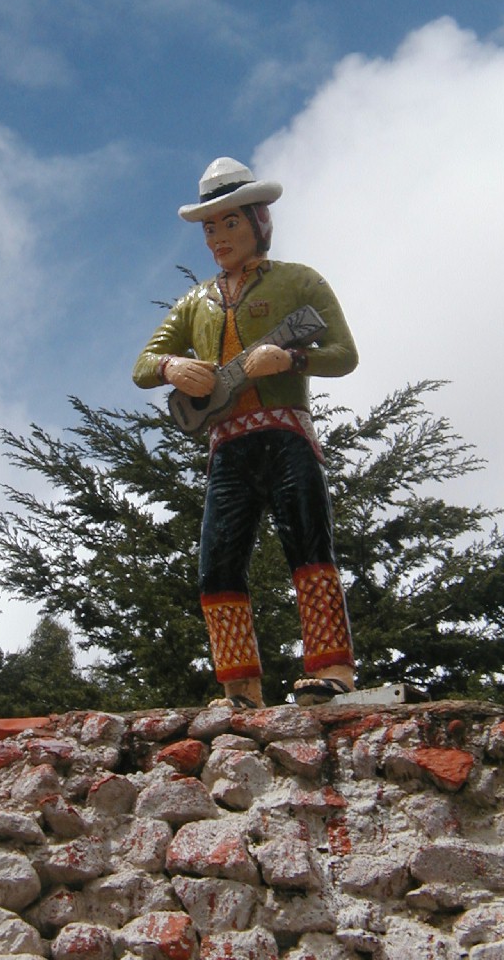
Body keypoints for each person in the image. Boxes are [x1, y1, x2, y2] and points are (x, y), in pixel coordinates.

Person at [133, 157, 359, 707]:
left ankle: (333, 670)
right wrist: (171, 367)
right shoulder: (195, 302)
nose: (217, 238)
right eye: (209, 227)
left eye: (229, 223)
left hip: (287, 436)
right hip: (227, 448)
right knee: (217, 563)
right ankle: (240, 687)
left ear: (259, 220)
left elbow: (344, 354)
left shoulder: (299, 281)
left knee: (309, 546)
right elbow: (143, 364)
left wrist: (292, 359)